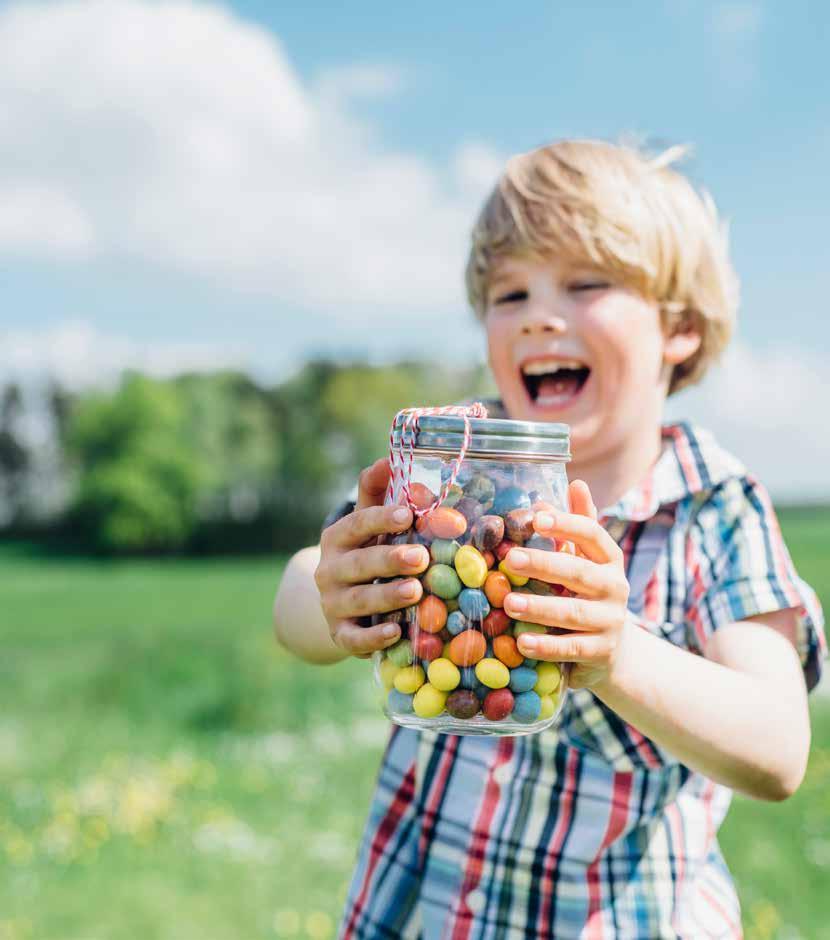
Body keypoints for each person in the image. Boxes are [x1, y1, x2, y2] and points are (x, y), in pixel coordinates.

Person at [273, 139, 825, 938]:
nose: (537, 312)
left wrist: (617, 657)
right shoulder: (451, 467)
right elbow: (299, 589)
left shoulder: (713, 508)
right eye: (509, 292)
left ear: (680, 329)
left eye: (586, 283)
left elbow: (777, 749)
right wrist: (336, 594)